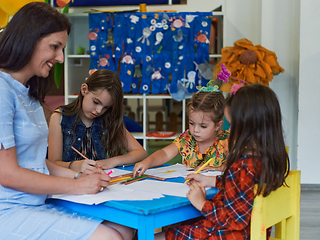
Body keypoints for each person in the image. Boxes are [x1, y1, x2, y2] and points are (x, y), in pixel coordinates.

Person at [0, 2, 133, 240]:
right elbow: (9, 175)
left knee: (125, 229)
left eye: (61, 49)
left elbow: (35, 163)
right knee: (110, 237)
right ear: (29, 39)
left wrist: (79, 176)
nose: (60, 58)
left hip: (29, 206)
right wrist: (77, 186)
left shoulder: (26, 91)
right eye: (55, 47)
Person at [156, 84, 290, 239]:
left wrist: (201, 203)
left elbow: (234, 220)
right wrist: (213, 180)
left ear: (248, 126)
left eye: (232, 123)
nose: (230, 130)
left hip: (226, 233)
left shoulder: (242, 166)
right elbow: (242, 189)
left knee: (159, 236)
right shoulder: (268, 160)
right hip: (250, 232)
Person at [47, 69, 147, 173]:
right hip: (70, 182)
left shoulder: (109, 119)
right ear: (84, 89)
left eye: (106, 107)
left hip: (101, 181)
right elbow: (53, 164)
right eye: (96, 102)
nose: (99, 110)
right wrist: (75, 166)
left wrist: (112, 161)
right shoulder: (59, 117)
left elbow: (140, 153)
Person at [132, 91, 229, 177]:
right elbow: (165, 153)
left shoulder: (227, 141)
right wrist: (147, 162)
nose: (195, 130)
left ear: (218, 125)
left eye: (203, 126)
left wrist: (221, 168)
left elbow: (240, 166)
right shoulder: (187, 138)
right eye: (191, 123)